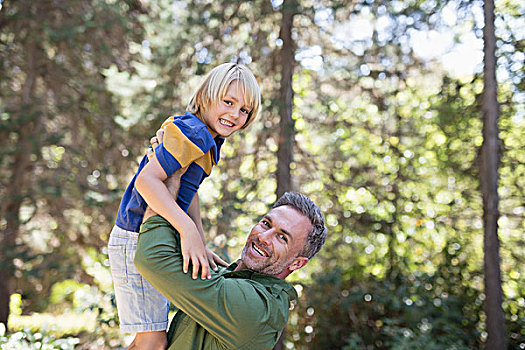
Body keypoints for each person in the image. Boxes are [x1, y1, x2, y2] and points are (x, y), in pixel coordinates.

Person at [108, 63, 261, 350]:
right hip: (135, 238)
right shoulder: (193, 131)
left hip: (155, 238)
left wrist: (198, 238)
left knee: (149, 340)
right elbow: (146, 182)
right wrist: (186, 229)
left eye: (244, 110)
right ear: (205, 96)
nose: (235, 115)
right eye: (228, 102)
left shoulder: (210, 137)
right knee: (152, 342)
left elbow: (190, 191)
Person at [134, 189, 327, 350]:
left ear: (297, 263)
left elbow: (152, 257)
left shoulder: (257, 310)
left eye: (282, 237)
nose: (264, 237)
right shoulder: (228, 275)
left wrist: (167, 178)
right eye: (266, 224)